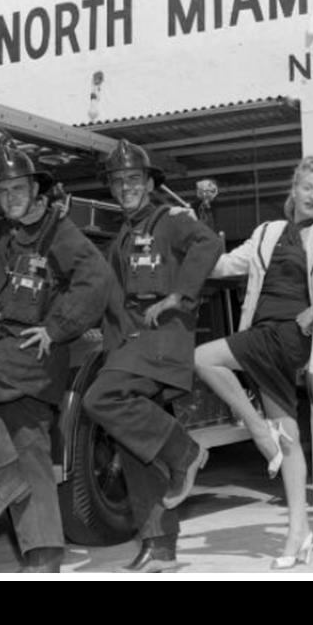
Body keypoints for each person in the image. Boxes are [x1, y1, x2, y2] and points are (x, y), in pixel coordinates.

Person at [0, 117, 113, 574]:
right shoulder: (3, 233)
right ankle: (44, 559)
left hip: (30, 353)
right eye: (4, 191)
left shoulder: (59, 233)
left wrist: (56, 328)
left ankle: (0, 478)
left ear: (36, 190)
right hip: (12, 355)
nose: (10, 198)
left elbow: (96, 280)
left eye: (18, 189)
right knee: (31, 452)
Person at [194, 157, 313, 569]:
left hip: (288, 335)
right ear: (294, 188)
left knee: (204, 357)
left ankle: (257, 432)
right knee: (288, 438)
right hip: (263, 333)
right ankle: (299, 531)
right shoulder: (266, 232)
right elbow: (222, 266)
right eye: (307, 187)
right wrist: (199, 234)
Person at [82, 140, 224, 573]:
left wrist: (179, 295)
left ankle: (186, 452)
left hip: (163, 342)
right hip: (135, 345)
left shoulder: (170, 220)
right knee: (134, 448)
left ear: (149, 183)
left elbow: (208, 245)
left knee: (99, 400)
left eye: (133, 180)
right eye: (118, 182)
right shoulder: (123, 236)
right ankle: (160, 544)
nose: (125, 188)